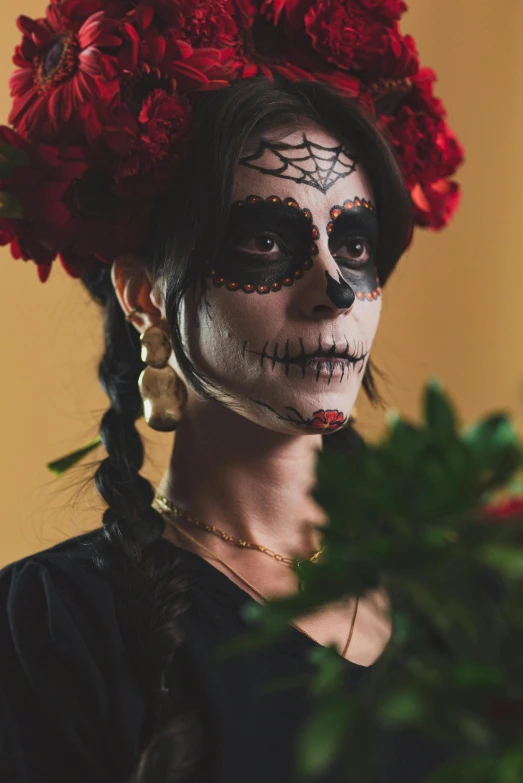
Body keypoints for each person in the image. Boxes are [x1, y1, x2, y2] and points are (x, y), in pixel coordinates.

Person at [0, 2, 463, 782]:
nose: (336, 291)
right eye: (266, 239)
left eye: (352, 242)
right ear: (145, 296)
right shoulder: (53, 629)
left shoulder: (464, 606)